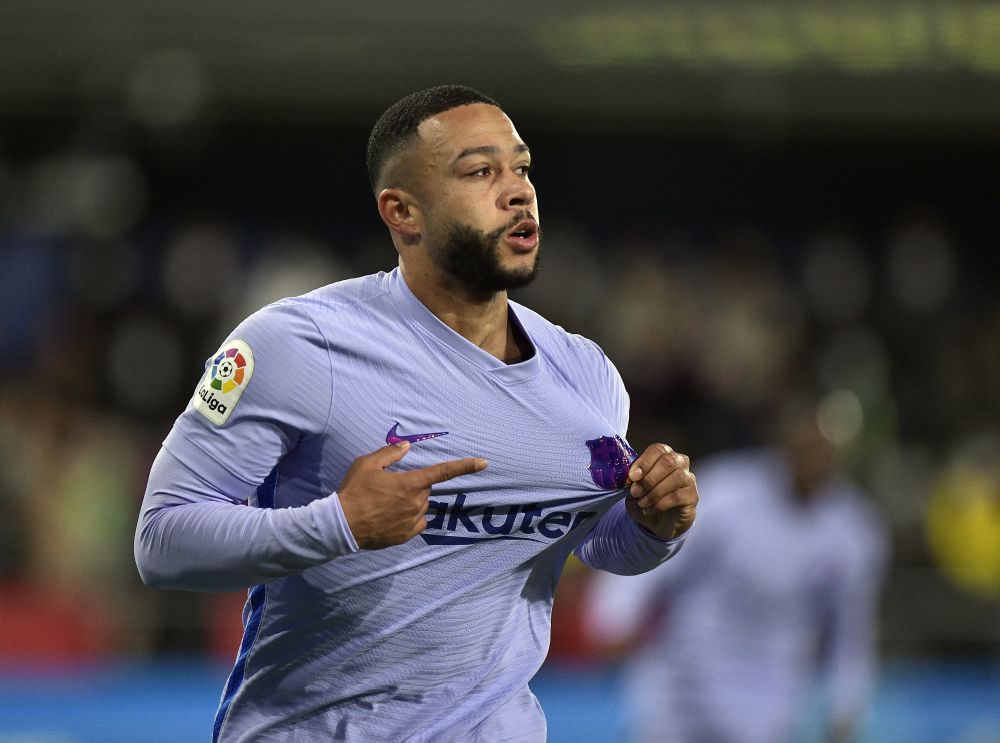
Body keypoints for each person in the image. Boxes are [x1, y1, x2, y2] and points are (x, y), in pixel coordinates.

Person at [134, 85, 699, 743]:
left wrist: (655, 526)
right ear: (403, 212)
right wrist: (338, 524)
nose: (518, 192)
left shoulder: (588, 374)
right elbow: (162, 541)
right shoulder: (298, 344)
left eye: (521, 168)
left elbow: (591, 542)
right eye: (480, 172)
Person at [585, 394, 889, 743]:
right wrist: (613, 617)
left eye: (823, 446)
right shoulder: (727, 491)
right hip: (685, 683)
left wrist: (846, 705)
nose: (812, 454)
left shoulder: (853, 533)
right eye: (806, 441)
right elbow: (659, 551)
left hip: (767, 699)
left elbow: (851, 630)